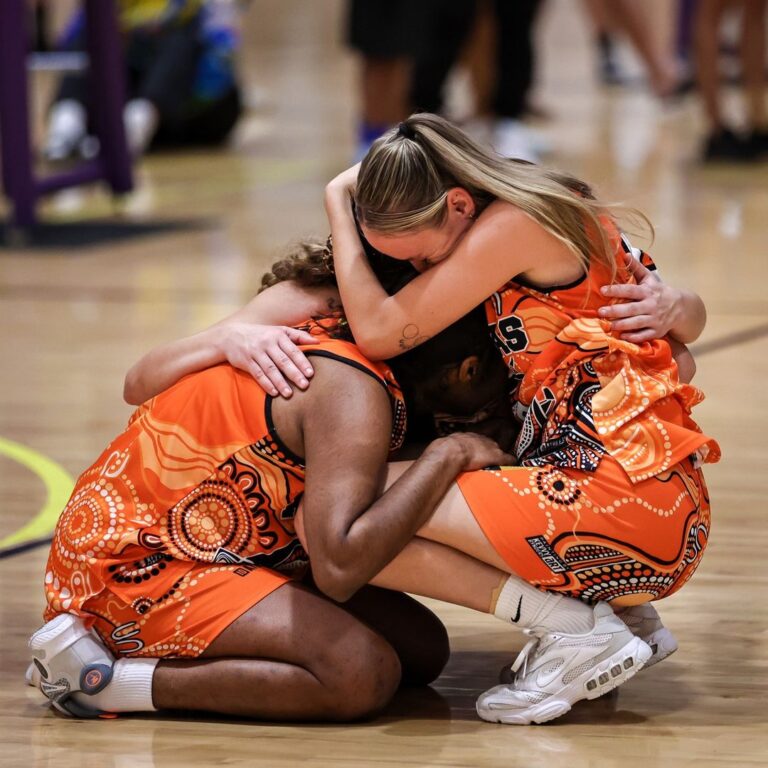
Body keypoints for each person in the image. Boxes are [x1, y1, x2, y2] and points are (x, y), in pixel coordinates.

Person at [33, 244, 667, 727]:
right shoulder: (349, 389)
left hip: (233, 547)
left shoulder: (369, 358)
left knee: (423, 654)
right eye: (497, 382)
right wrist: (446, 457)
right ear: (467, 367)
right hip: (132, 566)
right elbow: (338, 566)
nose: (503, 404)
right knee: (358, 675)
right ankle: (106, 681)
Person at [44, 0, 242, 160]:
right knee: (91, 33)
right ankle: (67, 121)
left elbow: (222, 49)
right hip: (123, 100)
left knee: (183, 36)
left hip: (193, 108)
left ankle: (135, 126)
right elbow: (69, 41)